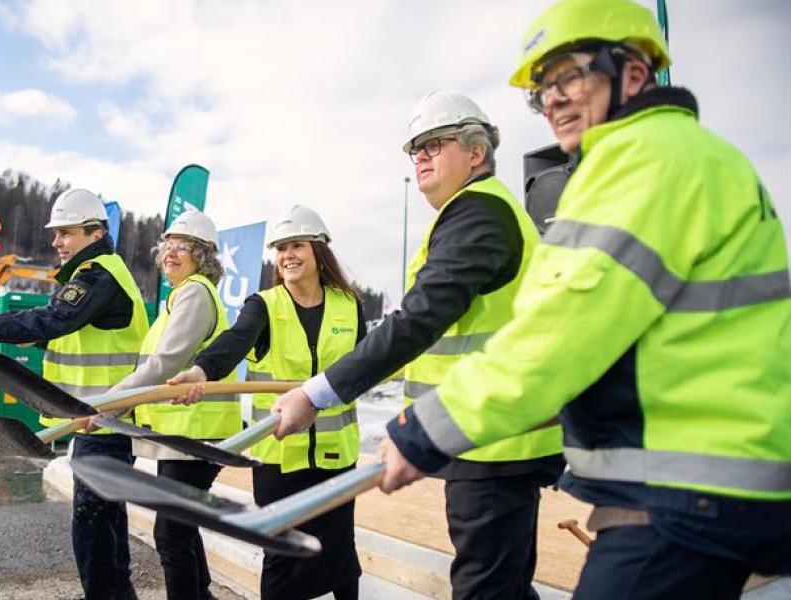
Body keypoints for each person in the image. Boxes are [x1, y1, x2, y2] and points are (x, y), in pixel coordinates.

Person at [375, 0, 791, 598]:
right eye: (542, 90)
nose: (554, 101)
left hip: (683, 484)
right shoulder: (700, 156)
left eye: (570, 76)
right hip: (717, 471)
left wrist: (424, 430)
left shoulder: (642, 164)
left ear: (635, 72)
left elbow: (558, 331)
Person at [271, 93, 563, 600]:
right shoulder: (480, 211)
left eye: (434, 144)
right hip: (496, 434)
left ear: (476, 152)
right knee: (507, 586)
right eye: (415, 149)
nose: (421, 156)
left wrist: (316, 394)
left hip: (491, 437)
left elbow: (420, 318)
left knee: (486, 590)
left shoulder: (477, 213)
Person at [0, 188, 149, 600]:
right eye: (56, 233)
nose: (56, 242)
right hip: (99, 419)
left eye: (65, 233)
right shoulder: (100, 272)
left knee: (92, 528)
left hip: (103, 421)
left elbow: (54, 319)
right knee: (105, 523)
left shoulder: (98, 274)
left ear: (95, 232)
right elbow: (74, 331)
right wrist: (39, 338)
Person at [170, 204, 367, 600]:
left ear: (318, 250)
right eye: (281, 248)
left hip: (336, 457)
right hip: (280, 457)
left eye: (296, 245)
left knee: (340, 551)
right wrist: (202, 371)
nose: (287, 255)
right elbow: (234, 342)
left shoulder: (349, 305)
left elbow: (367, 361)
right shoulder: (265, 305)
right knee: (281, 556)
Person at [86, 208, 240, 600]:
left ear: (202, 256)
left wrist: (109, 403)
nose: (170, 253)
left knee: (171, 534)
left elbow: (165, 363)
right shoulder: (182, 294)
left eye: (183, 246)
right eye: (167, 245)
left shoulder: (195, 293)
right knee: (181, 527)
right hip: (182, 434)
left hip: (196, 435)